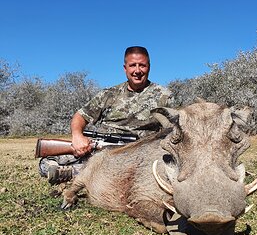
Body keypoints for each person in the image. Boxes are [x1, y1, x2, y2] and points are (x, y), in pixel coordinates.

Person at [39, 46, 174, 184]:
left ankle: (73, 173)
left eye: (142, 65)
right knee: (45, 163)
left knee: (138, 170)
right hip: (98, 148)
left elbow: (172, 131)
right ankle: (80, 172)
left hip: (137, 154)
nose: (137, 71)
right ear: (125, 68)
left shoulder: (164, 96)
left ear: (149, 67)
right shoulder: (108, 94)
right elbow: (80, 116)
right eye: (133, 65)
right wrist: (78, 137)